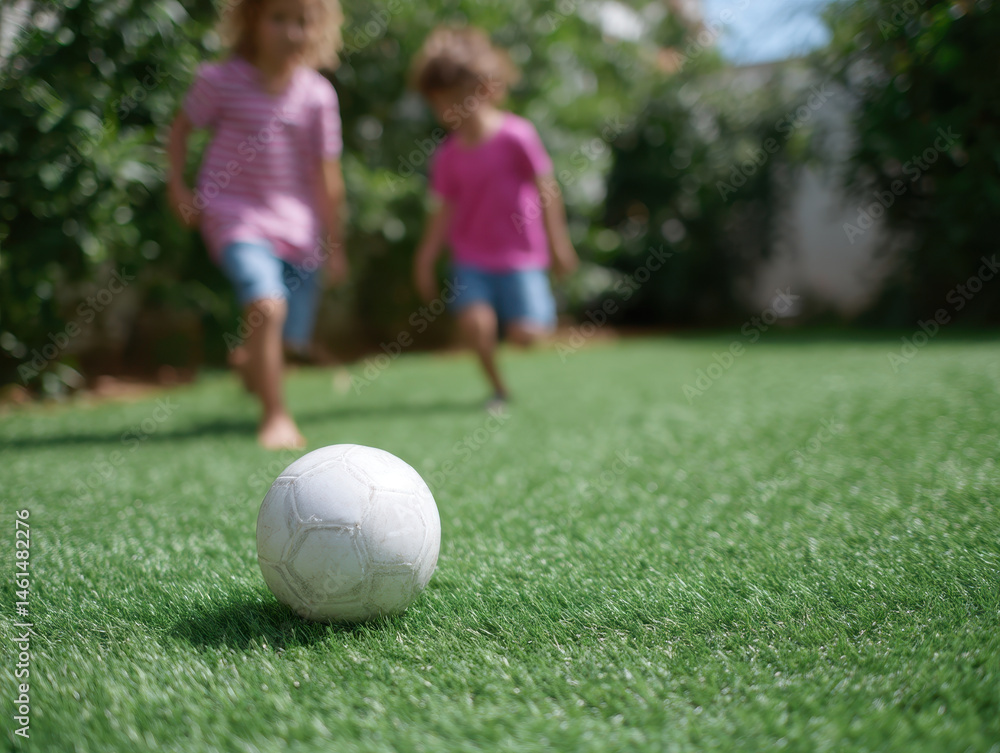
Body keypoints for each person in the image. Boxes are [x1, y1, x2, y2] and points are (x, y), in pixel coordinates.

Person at [167, 0, 347, 449]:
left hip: (300, 228)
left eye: (302, 22)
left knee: (289, 339)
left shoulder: (317, 95)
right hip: (235, 213)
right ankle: (276, 416)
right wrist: (178, 187)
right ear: (252, 21)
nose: (291, 32)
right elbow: (180, 129)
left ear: (318, 29)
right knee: (267, 306)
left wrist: (335, 243)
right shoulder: (220, 80)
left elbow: (329, 177)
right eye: (278, 18)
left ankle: (251, 363)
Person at [410, 26, 579, 410]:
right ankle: (499, 389)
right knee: (476, 325)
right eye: (439, 102)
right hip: (470, 258)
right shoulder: (447, 157)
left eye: (455, 98)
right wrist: (425, 257)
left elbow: (547, 189)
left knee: (526, 334)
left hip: (520, 256)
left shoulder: (517, 136)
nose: (447, 110)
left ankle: (535, 322)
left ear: (483, 89)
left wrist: (559, 243)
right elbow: (442, 211)